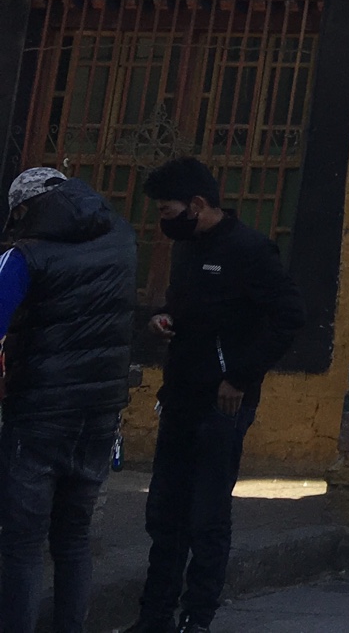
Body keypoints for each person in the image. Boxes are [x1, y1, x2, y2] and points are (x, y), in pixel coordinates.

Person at [130, 159, 304, 633]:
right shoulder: (188, 249)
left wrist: (241, 376)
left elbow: (288, 317)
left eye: (169, 209)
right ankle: (154, 616)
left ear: (199, 204)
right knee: (164, 514)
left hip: (222, 403)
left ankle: (198, 617)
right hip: (180, 395)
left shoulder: (249, 251)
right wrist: (164, 319)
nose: (165, 219)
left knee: (207, 516)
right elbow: (190, 307)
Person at [0, 167, 138, 633]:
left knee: (21, 544)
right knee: (73, 538)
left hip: (40, 413)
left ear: (23, 210)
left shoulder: (26, 255)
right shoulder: (120, 238)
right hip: (101, 412)